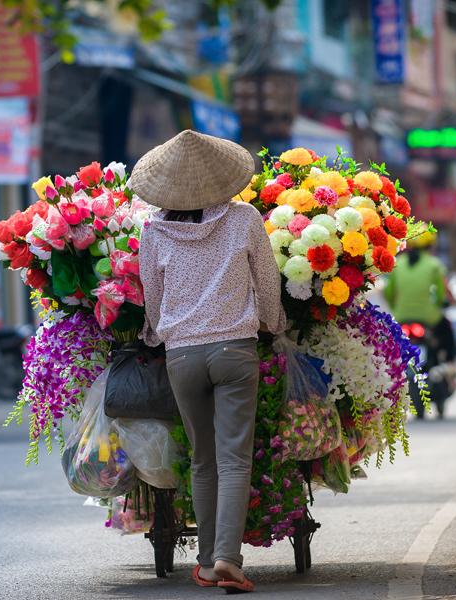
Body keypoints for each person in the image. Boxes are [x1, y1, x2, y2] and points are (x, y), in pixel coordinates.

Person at [131, 130, 286, 593]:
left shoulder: (154, 231)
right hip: (235, 351)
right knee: (234, 458)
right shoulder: (244, 219)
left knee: (203, 460)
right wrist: (272, 324)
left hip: (182, 356)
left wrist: (159, 334)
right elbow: (268, 282)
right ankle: (227, 559)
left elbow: (152, 303)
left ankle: (203, 561)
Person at [384, 231, 456, 362]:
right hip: (429, 317)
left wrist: (395, 308)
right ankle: (450, 365)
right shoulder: (434, 264)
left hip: (401, 316)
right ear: (430, 245)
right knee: (447, 332)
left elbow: (388, 293)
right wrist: (440, 304)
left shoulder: (397, 264)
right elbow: (440, 294)